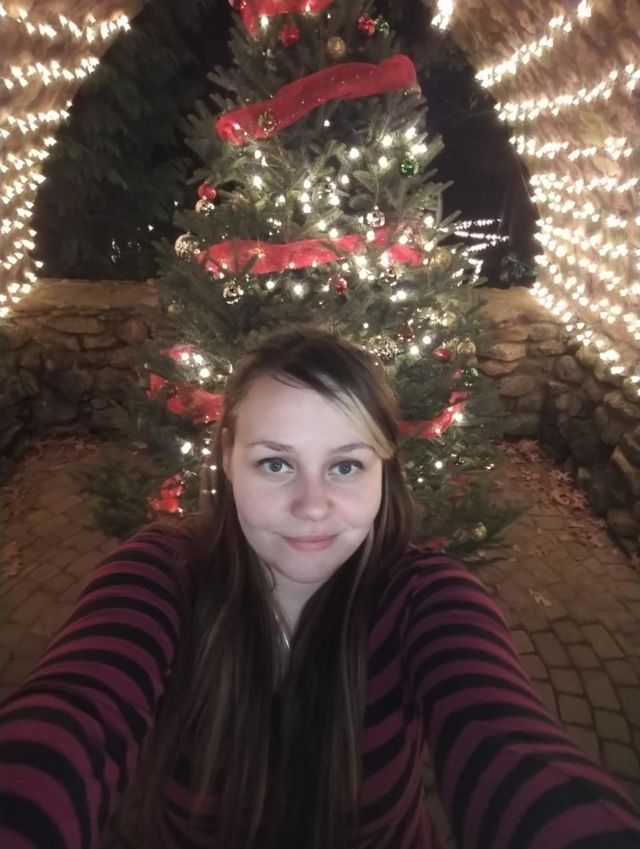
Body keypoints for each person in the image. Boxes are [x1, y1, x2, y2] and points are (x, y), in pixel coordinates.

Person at [0, 325, 639, 849]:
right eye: (276, 463)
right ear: (228, 461)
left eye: (346, 465)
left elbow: (508, 743)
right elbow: (72, 718)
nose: (312, 505)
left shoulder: (426, 597)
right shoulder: (163, 575)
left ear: (384, 471)